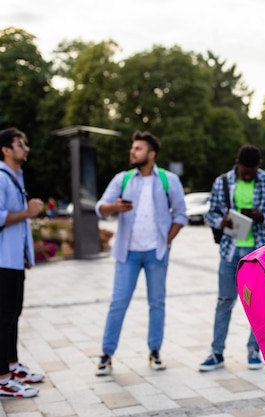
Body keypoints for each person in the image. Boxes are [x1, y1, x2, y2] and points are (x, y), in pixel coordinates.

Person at [94, 131, 187, 376]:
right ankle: (107, 354)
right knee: (118, 302)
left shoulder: (168, 180)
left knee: (157, 303)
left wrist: (166, 242)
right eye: (132, 148)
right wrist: (114, 207)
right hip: (128, 253)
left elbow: (180, 214)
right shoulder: (122, 179)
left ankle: (155, 351)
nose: (132, 152)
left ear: (151, 154)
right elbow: (100, 208)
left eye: (138, 149)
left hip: (156, 253)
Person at [199, 144, 265, 372]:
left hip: (258, 256)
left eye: (252, 171)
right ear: (237, 164)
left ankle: (254, 350)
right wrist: (222, 222)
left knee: (259, 306)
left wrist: (262, 217)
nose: (248, 175)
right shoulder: (223, 182)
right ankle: (217, 352)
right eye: (244, 170)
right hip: (230, 252)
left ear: (259, 167)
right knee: (224, 303)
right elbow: (210, 213)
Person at [0, 127, 45, 398]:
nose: (25, 148)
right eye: (20, 144)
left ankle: (12, 365)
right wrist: (27, 212)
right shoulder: (1, 177)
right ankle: (2, 378)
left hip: (13, 260)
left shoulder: (16, 176)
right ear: (6, 149)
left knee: (12, 315)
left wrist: (26, 253)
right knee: (2, 318)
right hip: (2, 261)